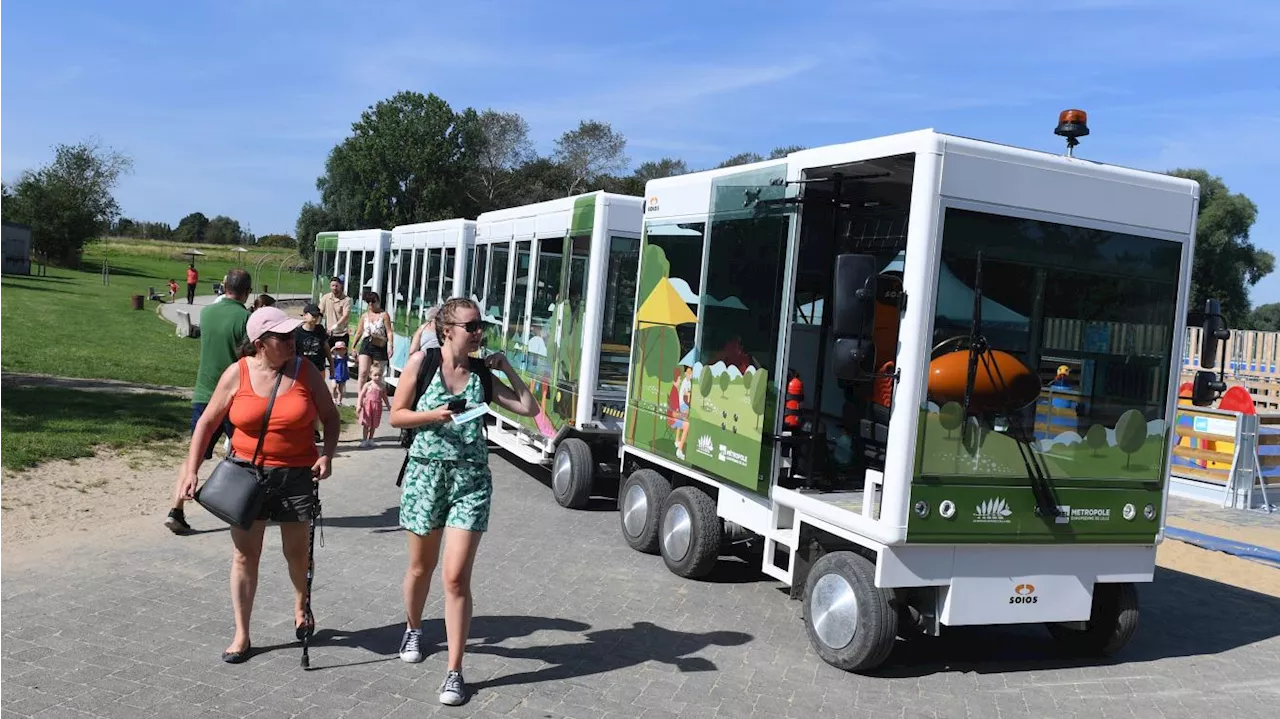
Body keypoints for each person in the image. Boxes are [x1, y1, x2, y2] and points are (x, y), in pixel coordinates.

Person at [390, 297, 538, 706]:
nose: (478, 334)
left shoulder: (481, 375)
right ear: (447, 329)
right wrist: (433, 415)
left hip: (470, 482)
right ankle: (414, 626)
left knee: (455, 578)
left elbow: (530, 407)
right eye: (471, 327)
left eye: (481, 327)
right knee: (421, 568)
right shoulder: (422, 364)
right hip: (425, 477)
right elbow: (396, 415)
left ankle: (455, 671)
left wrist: (505, 366)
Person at [176, 306, 340, 664]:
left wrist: (326, 454)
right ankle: (242, 634)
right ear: (259, 343)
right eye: (282, 337)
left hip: (296, 475)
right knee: (245, 555)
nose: (292, 342)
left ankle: (301, 605)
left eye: (292, 335)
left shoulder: (305, 372)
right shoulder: (237, 374)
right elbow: (206, 423)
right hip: (246, 476)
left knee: (296, 554)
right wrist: (191, 471)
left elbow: (330, 416)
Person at [166, 269, 252, 535]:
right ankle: (240, 507)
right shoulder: (246, 319)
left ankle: (176, 509)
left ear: (225, 286)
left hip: (204, 393)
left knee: (195, 455)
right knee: (245, 455)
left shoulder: (207, 313)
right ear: (248, 291)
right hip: (233, 396)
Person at [296, 303, 331, 442]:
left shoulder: (320, 330)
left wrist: (332, 365)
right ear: (305, 316)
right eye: (313, 314)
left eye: (318, 315)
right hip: (302, 371)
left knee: (316, 401)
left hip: (319, 369)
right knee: (303, 400)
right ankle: (302, 428)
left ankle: (315, 430)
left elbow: (326, 347)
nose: (316, 317)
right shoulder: (297, 333)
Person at [354, 290, 393, 391]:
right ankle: (360, 398)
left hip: (379, 343)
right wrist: (354, 346)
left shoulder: (384, 315)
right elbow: (359, 331)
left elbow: (389, 331)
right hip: (367, 343)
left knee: (377, 372)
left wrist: (390, 345)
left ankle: (375, 396)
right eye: (368, 302)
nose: (371, 304)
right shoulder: (364, 316)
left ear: (378, 301)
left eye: (373, 301)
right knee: (363, 372)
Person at [357, 363, 391, 448]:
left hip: (377, 407)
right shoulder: (368, 385)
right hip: (368, 407)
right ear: (370, 375)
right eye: (375, 375)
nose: (378, 377)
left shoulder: (382, 386)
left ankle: (371, 439)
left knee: (373, 424)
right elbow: (361, 395)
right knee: (366, 424)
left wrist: (388, 406)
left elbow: (384, 397)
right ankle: (364, 440)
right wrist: (359, 405)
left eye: (379, 375)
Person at [319, 276, 352, 350]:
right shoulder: (326, 298)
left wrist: (334, 326)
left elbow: (345, 315)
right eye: (332, 286)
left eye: (336, 286)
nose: (334, 288)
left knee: (340, 359)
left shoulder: (346, 300)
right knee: (327, 356)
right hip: (329, 334)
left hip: (342, 334)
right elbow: (320, 313)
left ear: (341, 286)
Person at [329, 341, 350, 405]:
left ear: (345, 351)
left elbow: (353, 360)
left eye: (342, 349)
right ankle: (333, 398)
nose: (340, 351)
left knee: (340, 390)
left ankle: (339, 401)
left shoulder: (345, 358)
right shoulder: (334, 358)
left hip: (342, 375)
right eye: (338, 349)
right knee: (334, 386)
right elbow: (329, 354)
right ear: (336, 350)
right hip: (334, 375)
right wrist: (333, 349)